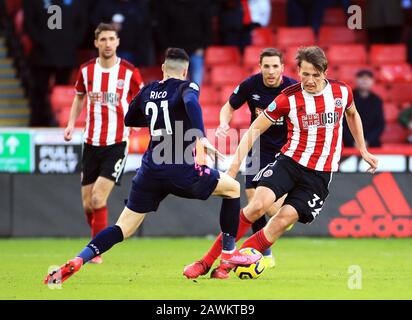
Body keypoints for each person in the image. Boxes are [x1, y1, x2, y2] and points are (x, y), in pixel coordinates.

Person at [44, 48, 260, 285]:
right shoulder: (187, 87)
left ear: (163, 69)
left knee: (123, 228)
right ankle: (228, 253)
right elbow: (190, 102)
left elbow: (129, 119)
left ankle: (79, 259)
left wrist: (156, 116)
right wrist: (201, 136)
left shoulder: (148, 90)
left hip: (149, 170)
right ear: (185, 71)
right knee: (233, 189)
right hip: (180, 168)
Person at [189, 46, 379, 279]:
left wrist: (363, 149)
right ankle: (206, 261)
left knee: (281, 221)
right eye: (305, 74)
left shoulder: (342, 93)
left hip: (319, 174)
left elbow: (352, 114)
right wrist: (232, 169)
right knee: (257, 206)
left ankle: (226, 266)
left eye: (315, 75)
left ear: (325, 73)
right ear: (298, 71)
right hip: (289, 163)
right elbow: (253, 130)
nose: (309, 80)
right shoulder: (287, 98)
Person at [183, 48, 296, 278]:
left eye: (275, 66)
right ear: (260, 66)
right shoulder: (251, 85)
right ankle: (264, 254)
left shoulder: (293, 89)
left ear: (283, 68)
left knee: (272, 208)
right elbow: (228, 106)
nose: (271, 71)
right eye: (267, 66)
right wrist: (224, 122)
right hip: (256, 148)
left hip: (284, 150)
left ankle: (282, 221)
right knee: (253, 202)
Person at [63, 23, 144, 264]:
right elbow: (79, 98)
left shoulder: (129, 72)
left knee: (99, 198)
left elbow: (143, 98)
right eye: (103, 39)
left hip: (117, 143)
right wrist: (70, 124)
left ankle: (95, 250)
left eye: (112, 39)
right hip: (90, 143)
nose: (108, 44)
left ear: (118, 42)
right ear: (96, 43)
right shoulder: (86, 71)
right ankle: (95, 241)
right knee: (88, 203)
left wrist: (140, 120)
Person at [23, 0, 87, 126]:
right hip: (42, 55)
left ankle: (61, 121)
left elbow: (82, 23)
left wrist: (72, 43)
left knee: (63, 90)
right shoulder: (35, 2)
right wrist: (40, 42)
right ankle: (38, 121)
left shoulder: (76, 2)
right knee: (39, 90)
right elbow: (29, 23)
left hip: (66, 56)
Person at [343, 69, 385, 148]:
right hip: (348, 144)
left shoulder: (377, 100)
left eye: (368, 78)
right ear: (356, 80)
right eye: (361, 77)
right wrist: (353, 141)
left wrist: (367, 141)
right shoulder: (347, 97)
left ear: (373, 81)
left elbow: (380, 125)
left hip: (371, 143)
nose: (364, 80)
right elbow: (342, 122)